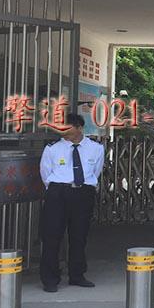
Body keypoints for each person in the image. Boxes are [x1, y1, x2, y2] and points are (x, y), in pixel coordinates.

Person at [38, 113, 105, 292]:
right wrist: (59, 188)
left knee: (79, 236)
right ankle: (50, 279)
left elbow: (96, 171)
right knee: (52, 236)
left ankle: (77, 275)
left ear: (80, 128)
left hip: (83, 193)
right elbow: (45, 173)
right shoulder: (52, 148)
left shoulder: (96, 148)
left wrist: (83, 186)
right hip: (58, 194)